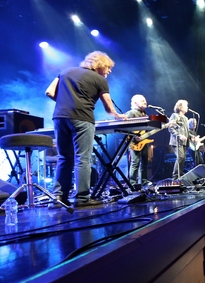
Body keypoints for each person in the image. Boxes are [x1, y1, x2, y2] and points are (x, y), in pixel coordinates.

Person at [45, 51, 127, 207]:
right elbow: (109, 107)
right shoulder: (100, 80)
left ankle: (58, 199)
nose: (109, 71)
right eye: (108, 68)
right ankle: (82, 198)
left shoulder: (65, 71)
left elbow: (49, 92)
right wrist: (119, 116)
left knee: (64, 158)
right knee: (82, 158)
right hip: (82, 118)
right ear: (100, 64)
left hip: (60, 117)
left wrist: (65, 102)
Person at [126, 94, 149, 189]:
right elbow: (125, 126)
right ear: (135, 103)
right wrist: (134, 135)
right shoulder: (131, 113)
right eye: (142, 100)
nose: (145, 102)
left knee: (144, 164)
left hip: (144, 142)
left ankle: (144, 182)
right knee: (135, 163)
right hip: (135, 143)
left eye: (145, 100)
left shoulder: (145, 114)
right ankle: (132, 183)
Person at [168, 99, 190, 180]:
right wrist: (179, 135)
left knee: (183, 158)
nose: (187, 107)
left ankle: (179, 176)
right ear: (180, 107)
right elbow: (170, 128)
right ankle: (175, 177)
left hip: (184, 142)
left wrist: (191, 137)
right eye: (186, 106)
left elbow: (187, 131)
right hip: (176, 141)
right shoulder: (175, 115)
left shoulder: (186, 118)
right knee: (180, 157)